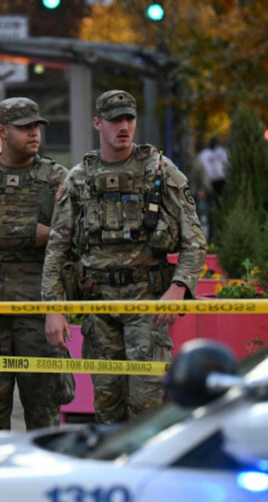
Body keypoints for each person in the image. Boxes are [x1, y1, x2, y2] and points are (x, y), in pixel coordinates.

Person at [41, 90, 207, 425]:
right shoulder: (79, 179)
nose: (124, 126)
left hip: (147, 305)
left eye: (129, 118)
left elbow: (195, 241)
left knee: (146, 410)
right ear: (98, 123)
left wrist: (178, 289)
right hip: (98, 309)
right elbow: (56, 249)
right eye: (116, 119)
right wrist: (53, 308)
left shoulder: (159, 173)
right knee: (106, 411)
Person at [0, 98, 75, 431]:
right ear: (2, 131)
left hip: (39, 314)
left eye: (36, 126)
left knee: (44, 410)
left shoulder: (56, 181)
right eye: (24, 127)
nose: (33, 133)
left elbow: (71, 244)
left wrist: (57, 307)